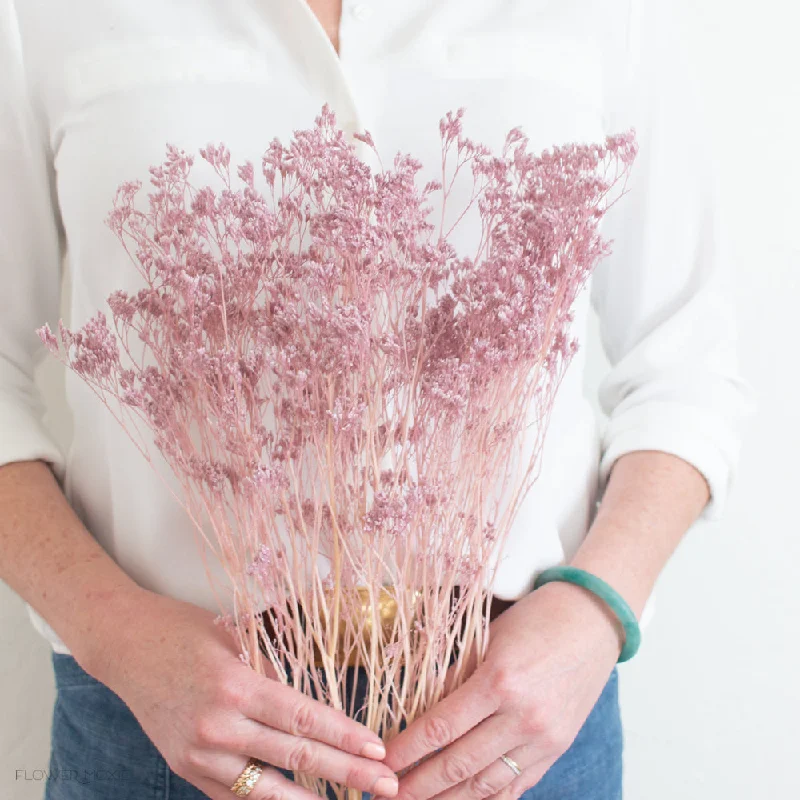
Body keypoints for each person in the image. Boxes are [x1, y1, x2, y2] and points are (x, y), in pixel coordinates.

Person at [0, 1, 755, 799]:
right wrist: (113, 634)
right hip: (170, 722)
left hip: (515, 723)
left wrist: (596, 613)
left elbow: (687, 361)